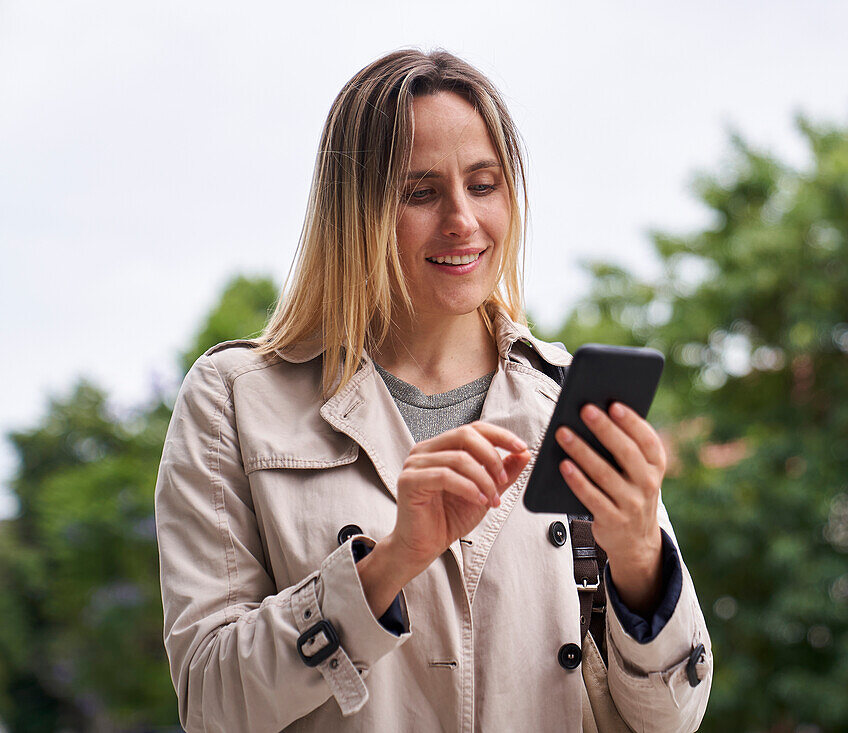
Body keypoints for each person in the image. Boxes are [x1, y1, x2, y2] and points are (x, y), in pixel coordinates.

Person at [154, 48, 712, 732]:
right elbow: (213, 702)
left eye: (483, 184)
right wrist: (387, 566)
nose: (462, 221)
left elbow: (674, 717)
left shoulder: (567, 398)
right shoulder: (234, 401)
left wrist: (639, 560)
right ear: (352, 210)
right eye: (420, 192)